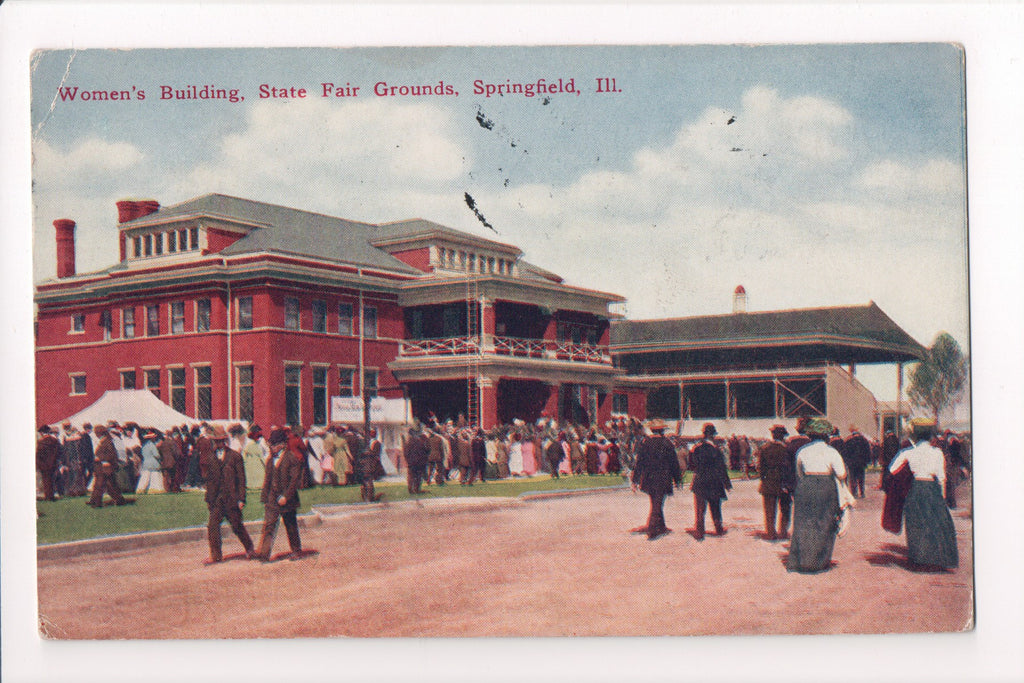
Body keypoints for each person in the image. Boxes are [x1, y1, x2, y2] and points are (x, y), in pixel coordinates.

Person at [887, 419, 959, 570]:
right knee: (936, 523)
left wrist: (908, 472)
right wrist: (943, 498)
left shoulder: (908, 452)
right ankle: (936, 559)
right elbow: (941, 478)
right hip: (932, 488)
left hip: (915, 488)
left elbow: (892, 469)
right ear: (931, 435)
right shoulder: (937, 453)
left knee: (916, 522)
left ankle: (919, 558)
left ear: (914, 435)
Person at [786, 418, 847, 573]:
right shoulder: (832, 452)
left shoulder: (803, 451)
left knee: (803, 522)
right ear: (827, 436)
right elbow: (842, 474)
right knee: (824, 521)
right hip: (826, 486)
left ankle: (801, 560)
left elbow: (799, 471)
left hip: (805, 486)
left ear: (810, 436)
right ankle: (819, 561)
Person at [202, 425, 255, 564]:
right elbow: (209, 480)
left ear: (225, 441)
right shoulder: (210, 457)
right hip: (216, 500)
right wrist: (209, 499)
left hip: (232, 499)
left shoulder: (235, 456)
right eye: (215, 441)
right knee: (212, 526)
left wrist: (241, 499)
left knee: (237, 526)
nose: (218, 444)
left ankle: (249, 548)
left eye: (220, 441)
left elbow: (241, 479)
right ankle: (216, 555)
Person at [255, 428, 304, 562]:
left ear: (282, 444)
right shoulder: (270, 460)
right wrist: (265, 497)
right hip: (272, 498)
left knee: (290, 525)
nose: (272, 447)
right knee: (269, 525)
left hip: (287, 499)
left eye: (275, 444)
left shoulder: (291, 458)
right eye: (271, 444)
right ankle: (264, 554)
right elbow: (268, 479)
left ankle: (296, 550)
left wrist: (286, 497)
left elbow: (294, 481)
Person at [630, 419, 682, 540]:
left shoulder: (645, 443)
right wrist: (677, 479)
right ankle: (653, 530)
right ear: (662, 430)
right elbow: (674, 463)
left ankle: (661, 526)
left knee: (655, 501)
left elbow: (639, 463)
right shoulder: (667, 443)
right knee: (657, 503)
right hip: (663, 478)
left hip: (649, 478)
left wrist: (635, 480)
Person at [687, 423, 732, 540]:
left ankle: (699, 531)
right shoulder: (716, 450)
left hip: (700, 481)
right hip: (714, 482)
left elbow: (691, 466)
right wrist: (727, 484)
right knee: (715, 506)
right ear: (713, 436)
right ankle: (719, 529)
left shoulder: (695, 449)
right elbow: (722, 469)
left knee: (700, 508)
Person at [755, 425, 795, 540]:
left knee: (769, 510)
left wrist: (764, 479)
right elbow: (790, 468)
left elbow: (761, 468)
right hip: (784, 483)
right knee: (785, 509)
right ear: (783, 436)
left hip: (768, 483)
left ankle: (771, 533)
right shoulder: (787, 449)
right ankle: (783, 532)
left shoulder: (765, 448)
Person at [87, 425, 130, 507]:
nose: (95, 434)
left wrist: (99, 458)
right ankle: (119, 500)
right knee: (110, 486)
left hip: (106, 467)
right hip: (102, 468)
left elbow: (112, 455)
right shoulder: (104, 440)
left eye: (97, 432)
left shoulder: (107, 441)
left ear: (99, 433)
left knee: (100, 485)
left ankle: (96, 502)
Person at [843, 427, 871, 499]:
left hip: (852, 463)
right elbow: (868, 452)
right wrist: (867, 461)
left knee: (853, 478)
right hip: (861, 463)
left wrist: (847, 461)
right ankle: (862, 492)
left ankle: (854, 493)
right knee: (861, 478)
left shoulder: (849, 441)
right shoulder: (864, 441)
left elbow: (845, 452)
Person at [36, 425, 62, 501]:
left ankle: (48, 496)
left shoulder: (41, 441)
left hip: (44, 464)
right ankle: (51, 496)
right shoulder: (55, 440)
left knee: (46, 481)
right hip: (53, 464)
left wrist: (38, 464)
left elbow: (39, 454)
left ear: (41, 433)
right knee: (52, 480)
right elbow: (59, 452)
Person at [404, 428, 429, 494]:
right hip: (419, 463)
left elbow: (406, 453)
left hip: (411, 462)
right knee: (418, 477)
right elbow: (424, 452)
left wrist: (408, 460)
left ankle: (410, 489)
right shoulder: (419, 442)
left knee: (411, 476)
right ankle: (417, 489)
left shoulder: (408, 443)